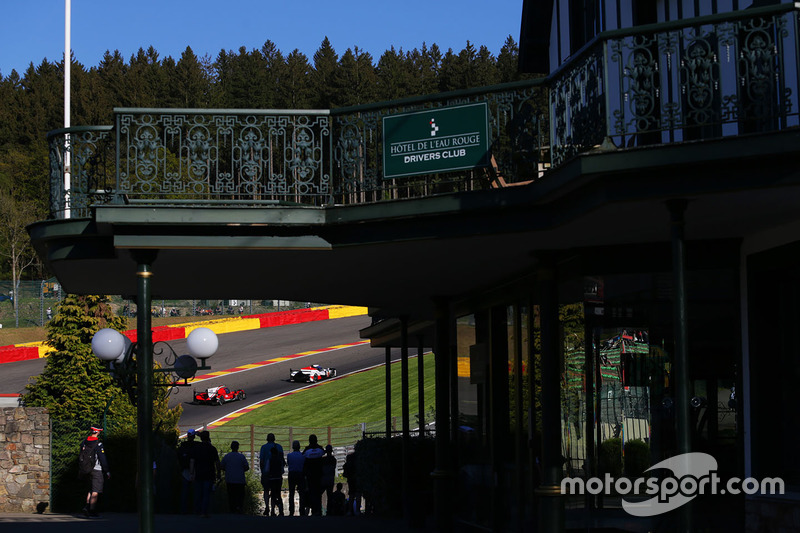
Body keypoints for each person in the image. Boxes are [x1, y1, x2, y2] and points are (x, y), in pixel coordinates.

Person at [79, 427, 110, 518]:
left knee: (91, 489)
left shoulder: (84, 442)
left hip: (86, 469)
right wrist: (107, 471)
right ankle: (92, 510)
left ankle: (87, 506)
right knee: (96, 490)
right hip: (97, 469)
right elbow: (102, 458)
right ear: (98, 432)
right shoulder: (98, 444)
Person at [192, 431, 221, 517]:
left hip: (199, 473)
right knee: (206, 494)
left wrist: (191, 472)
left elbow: (192, 461)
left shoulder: (197, 448)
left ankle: (197, 510)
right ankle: (204, 511)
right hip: (209, 473)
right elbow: (217, 462)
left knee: (198, 493)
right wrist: (218, 472)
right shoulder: (212, 448)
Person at [220, 440, 249, 514]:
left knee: (231, 496)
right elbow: (246, 467)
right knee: (240, 496)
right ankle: (239, 508)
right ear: (238, 447)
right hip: (240, 480)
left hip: (230, 479)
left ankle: (232, 509)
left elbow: (222, 466)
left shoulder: (227, 456)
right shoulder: (241, 456)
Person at [258, 433, 283, 515]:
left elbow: (261, 461)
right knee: (275, 491)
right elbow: (282, 460)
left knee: (266, 490)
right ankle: (272, 509)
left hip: (266, 472)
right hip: (277, 473)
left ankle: (267, 507)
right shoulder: (279, 447)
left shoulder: (264, 447)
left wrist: (262, 471)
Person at [302, 434, 325, 516]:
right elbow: (323, 452)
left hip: (310, 475)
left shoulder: (307, 450)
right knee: (318, 493)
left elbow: (303, 457)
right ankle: (318, 510)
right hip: (318, 474)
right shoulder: (319, 449)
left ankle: (313, 510)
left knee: (312, 493)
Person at [177, 429, 198, 514]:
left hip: (184, 471)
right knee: (194, 492)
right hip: (193, 471)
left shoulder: (182, 446)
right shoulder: (196, 445)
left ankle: (184, 510)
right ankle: (194, 509)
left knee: (184, 492)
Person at [286, 440, 306, 516]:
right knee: (301, 493)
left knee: (291, 493)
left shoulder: (289, 455)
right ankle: (302, 510)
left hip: (292, 473)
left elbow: (288, 463)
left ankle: (291, 510)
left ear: (293, 447)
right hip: (300, 474)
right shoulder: (303, 456)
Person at [266, 445, 285, 516]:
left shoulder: (269, 460)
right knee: (278, 494)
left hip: (272, 478)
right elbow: (282, 471)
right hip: (279, 478)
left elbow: (267, 469)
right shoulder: (279, 460)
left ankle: (273, 509)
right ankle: (281, 510)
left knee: (273, 494)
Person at [321, 444, 337, 513]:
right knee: (329, 496)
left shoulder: (323, 460)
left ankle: (319, 510)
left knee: (319, 494)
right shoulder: (333, 460)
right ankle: (329, 510)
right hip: (330, 479)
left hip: (324, 478)